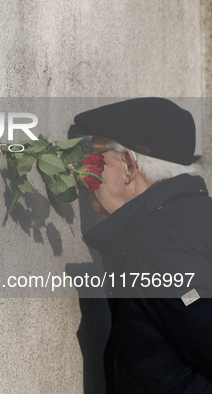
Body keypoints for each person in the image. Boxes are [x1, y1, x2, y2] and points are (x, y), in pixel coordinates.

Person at [72, 98, 212, 393]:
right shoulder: (194, 218)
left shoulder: (162, 247)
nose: (83, 170)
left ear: (128, 164)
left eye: (94, 156)